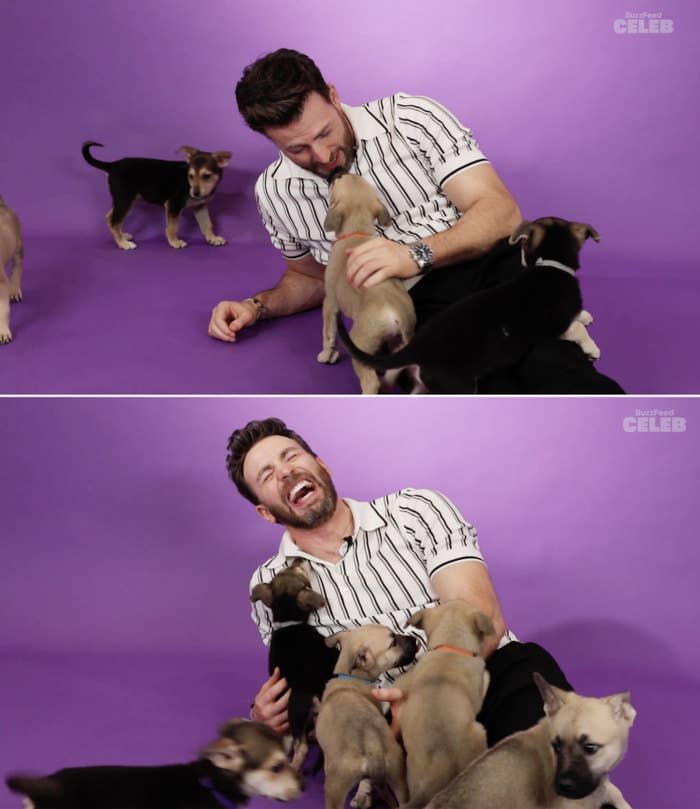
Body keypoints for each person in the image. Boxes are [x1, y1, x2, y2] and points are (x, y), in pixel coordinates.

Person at [209, 49, 623, 394]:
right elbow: (311, 277)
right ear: (270, 140)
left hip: (489, 269)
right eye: (297, 148)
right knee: (477, 387)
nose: (320, 156)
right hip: (410, 309)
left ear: (333, 96)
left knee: (555, 370)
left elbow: (500, 212)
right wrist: (256, 307)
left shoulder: (409, 118)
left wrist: (415, 254)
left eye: (324, 133)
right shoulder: (276, 192)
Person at [227, 416, 572, 747]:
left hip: (484, 677)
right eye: (268, 475)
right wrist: (264, 716)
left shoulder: (415, 511)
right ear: (266, 512)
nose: (286, 471)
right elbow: (305, 680)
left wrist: (421, 699)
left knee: (545, 751)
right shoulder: (269, 583)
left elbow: (482, 622)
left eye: (290, 456)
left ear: (322, 465)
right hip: (391, 725)